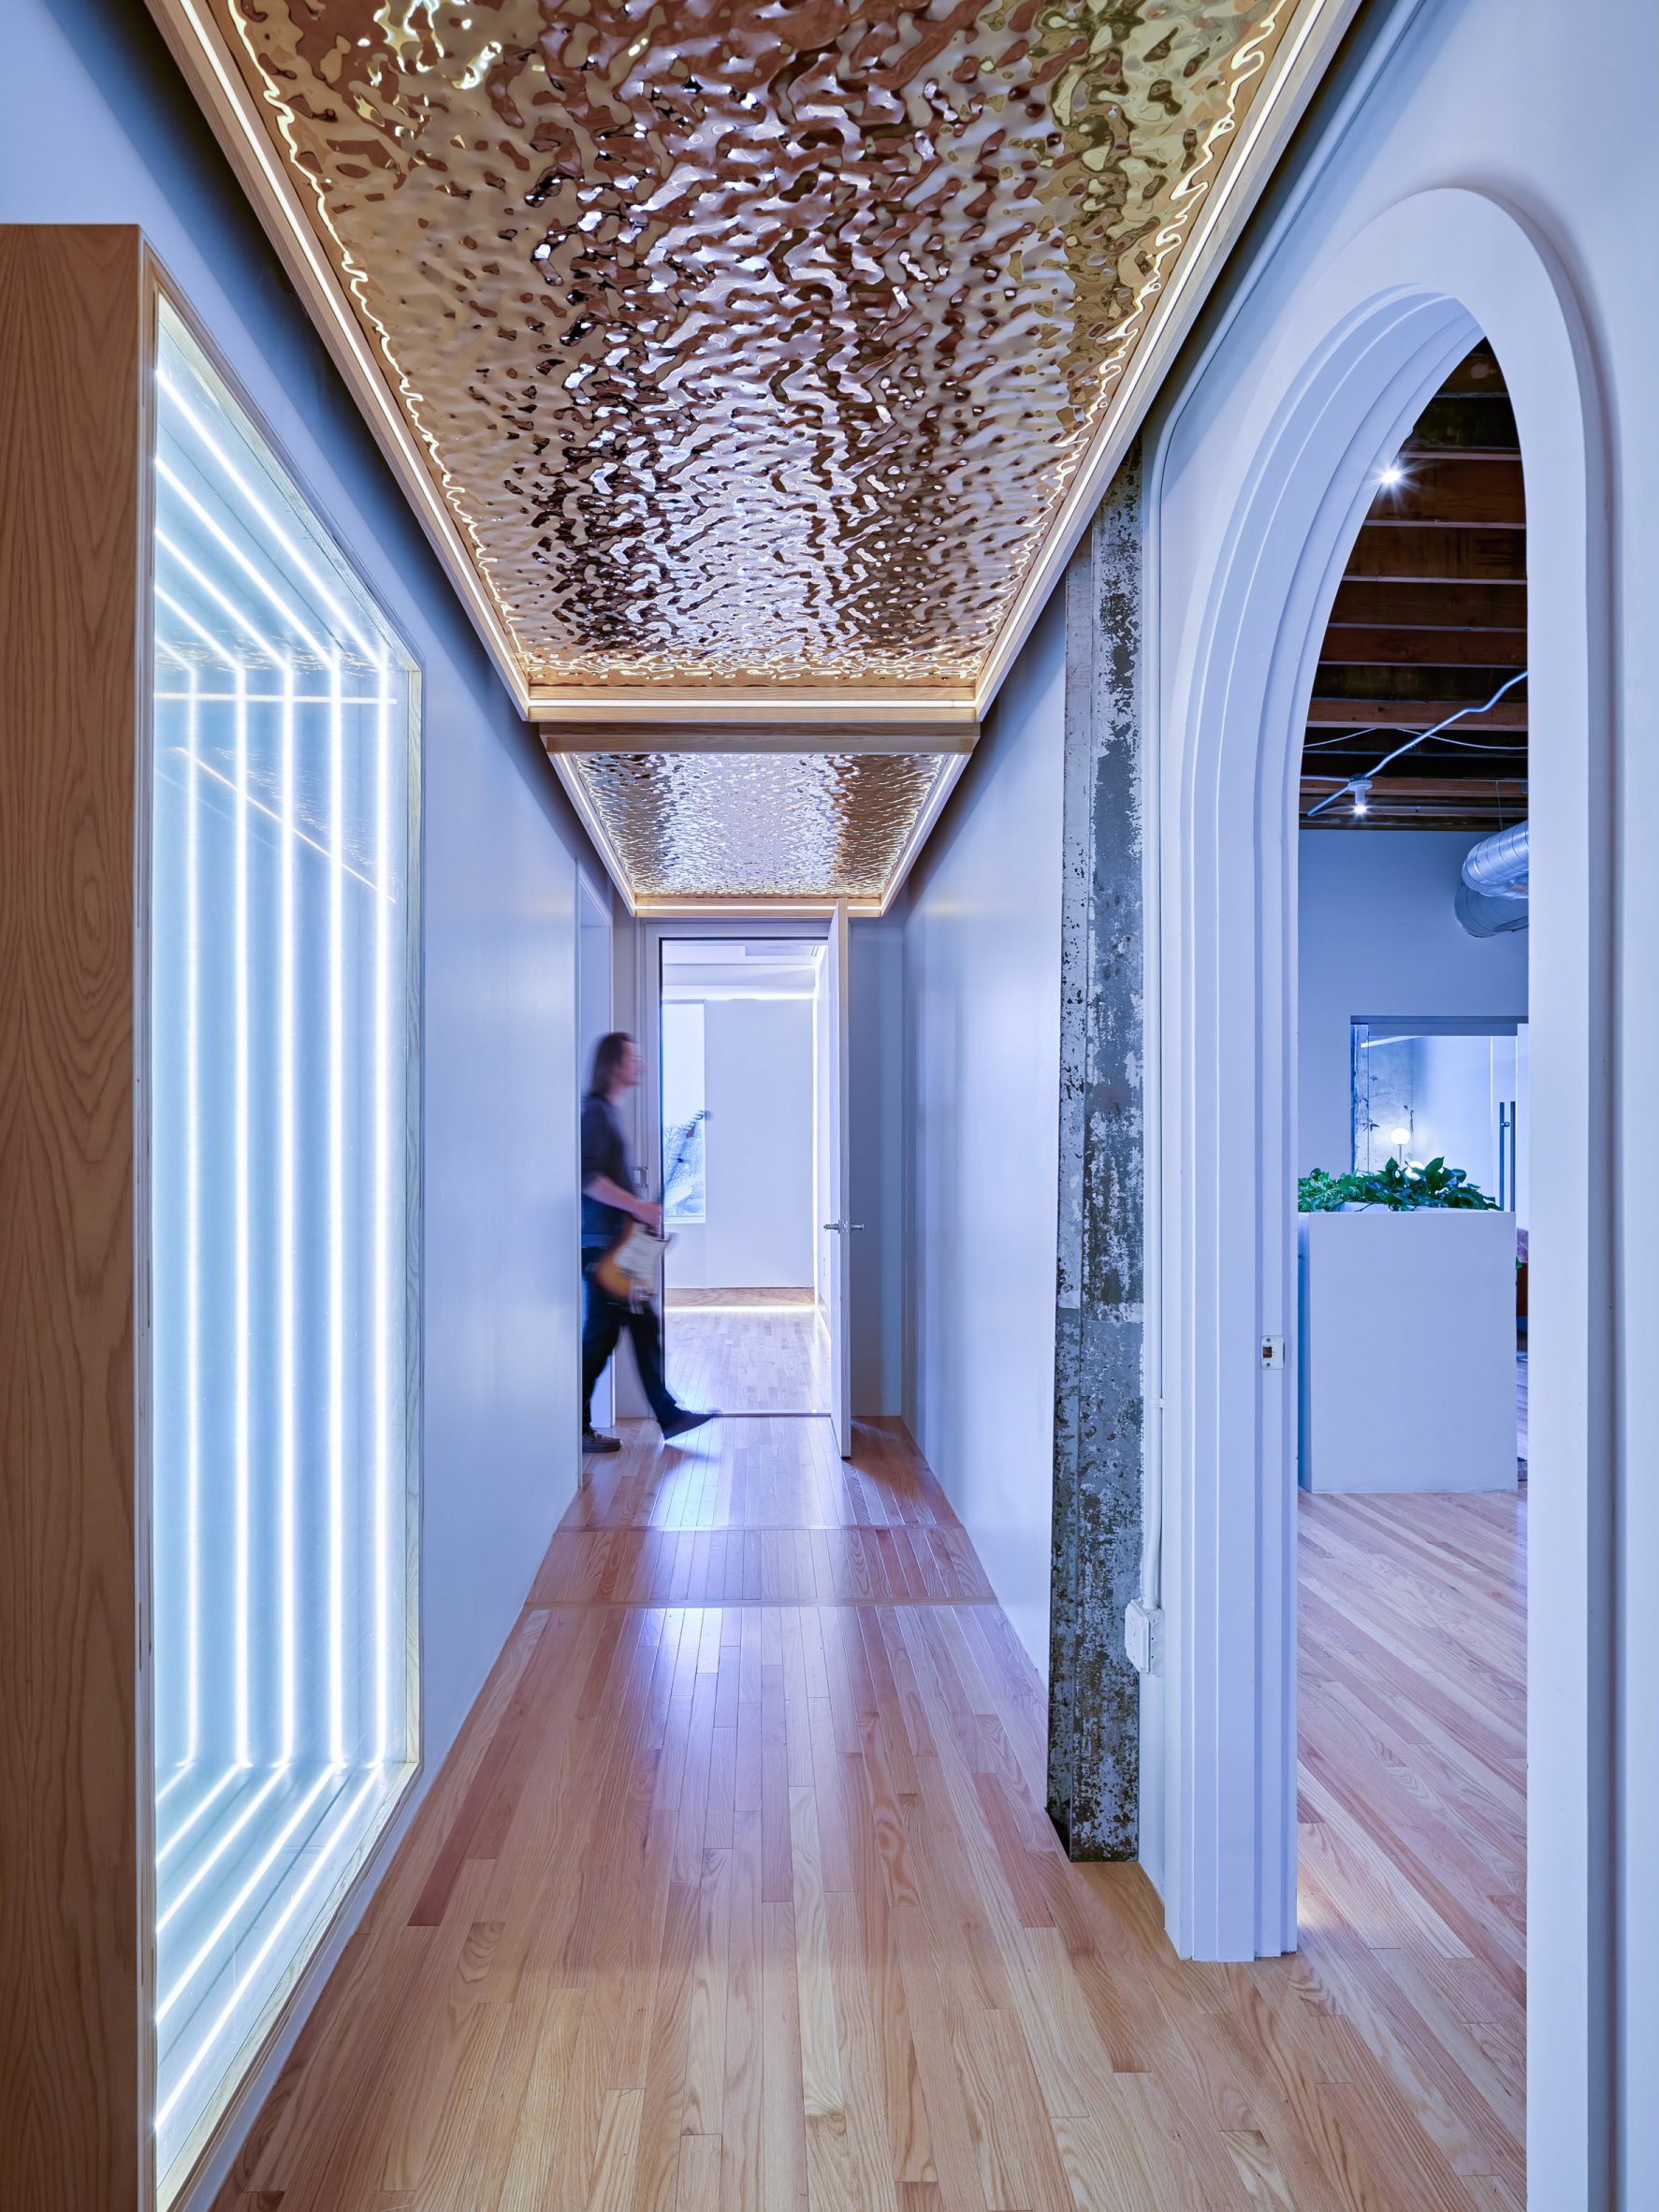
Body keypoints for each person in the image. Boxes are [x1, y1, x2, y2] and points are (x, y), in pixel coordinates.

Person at [580, 1031, 716, 1452]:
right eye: (633, 1057)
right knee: (601, 1339)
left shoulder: (607, 1113)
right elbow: (585, 1178)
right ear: (614, 1064)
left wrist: (640, 1210)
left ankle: (668, 1415)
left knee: (639, 1327)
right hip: (604, 1252)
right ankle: (573, 1425)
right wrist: (639, 1209)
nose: (639, 1063)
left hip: (615, 1249)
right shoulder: (596, 1115)